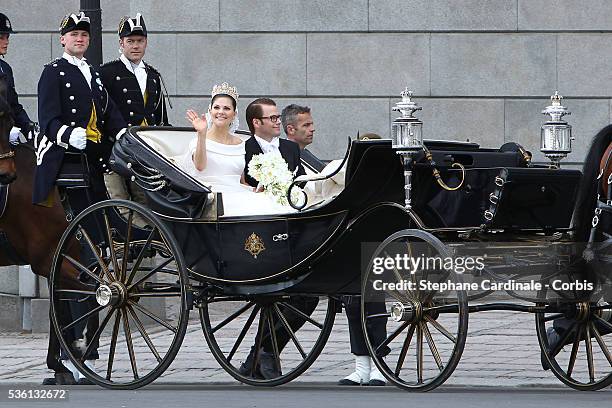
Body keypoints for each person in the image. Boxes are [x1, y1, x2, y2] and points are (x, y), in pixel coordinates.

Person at [35, 11, 126, 385]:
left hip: (92, 168)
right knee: (80, 262)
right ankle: (73, 349)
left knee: (95, 259)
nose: (79, 38)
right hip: (65, 169)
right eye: (73, 34)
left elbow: (109, 114)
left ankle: (83, 348)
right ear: (62, 39)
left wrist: (123, 133)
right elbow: (47, 119)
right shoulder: (53, 72)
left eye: (84, 35)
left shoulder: (94, 74)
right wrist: (66, 133)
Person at [179, 83, 293, 216]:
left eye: (226, 108)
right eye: (216, 107)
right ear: (210, 111)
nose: (221, 112)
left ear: (234, 114)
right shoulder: (198, 140)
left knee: (275, 205)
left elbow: (241, 180)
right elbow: (200, 166)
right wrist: (201, 134)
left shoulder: (240, 143)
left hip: (238, 193)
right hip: (211, 198)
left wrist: (256, 189)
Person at [99, 13, 170, 223]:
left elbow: (160, 118)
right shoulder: (106, 73)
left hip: (144, 152)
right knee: (120, 202)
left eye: (140, 41)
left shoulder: (153, 75)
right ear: (121, 43)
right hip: (115, 149)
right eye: (130, 41)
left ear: (146, 42)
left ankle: (146, 246)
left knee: (145, 202)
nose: (135, 46)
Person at [243, 98, 304, 188]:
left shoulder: (292, 147)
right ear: (256, 122)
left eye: (278, 117)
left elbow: (302, 181)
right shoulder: (243, 151)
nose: (279, 122)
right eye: (273, 118)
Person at [0, 12, 36, 144]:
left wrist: (28, 127)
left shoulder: (5, 68)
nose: (6, 42)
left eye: (7, 37)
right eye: (1, 37)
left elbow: (13, 105)